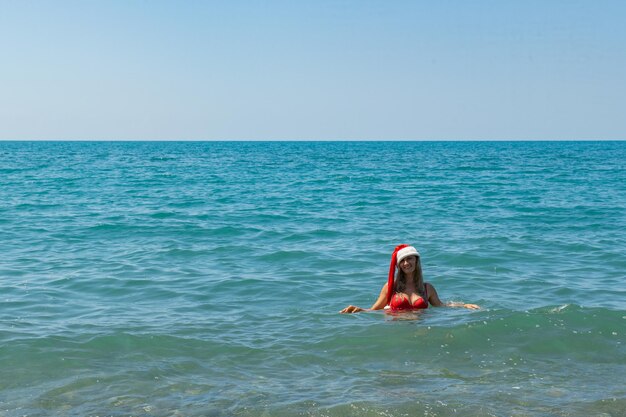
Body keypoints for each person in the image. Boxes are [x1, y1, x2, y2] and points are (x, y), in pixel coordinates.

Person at [340, 244, 480, 313]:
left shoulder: (427, 288)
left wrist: (464, 305)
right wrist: (359, 310)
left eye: (410, 259)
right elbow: (374, 310)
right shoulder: (391, 287)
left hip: (420, 330)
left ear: (416, 261)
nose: (406, 263)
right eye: (403, 260)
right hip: (396, 332)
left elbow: (441, 305)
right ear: (398, 265)